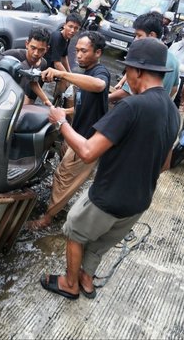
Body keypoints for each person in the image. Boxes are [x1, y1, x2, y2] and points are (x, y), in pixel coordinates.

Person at [40, 37, 179, 300]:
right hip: (139, 202)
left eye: (127, 71)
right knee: (100, 244)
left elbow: (88, 150)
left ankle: (70, 283)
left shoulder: (131, 106)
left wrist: (61, 122)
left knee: (74, 230)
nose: (125, 78)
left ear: (137, 71)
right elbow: (166, 164)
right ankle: (87, 280)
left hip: (109, 196)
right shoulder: (173, 111)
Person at [27, 31, 110, 229]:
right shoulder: (85, 73)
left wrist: (62, 73)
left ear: (98, 53)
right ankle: (59, 199)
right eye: (77, 51)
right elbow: (86, 103)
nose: (78, 55)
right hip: (77, 134)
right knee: (63, 173)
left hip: (87, 140)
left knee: (65, 178)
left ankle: (47, 219)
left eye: (84, 51)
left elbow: (99, 86)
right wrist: (67, 110)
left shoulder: (100, 72)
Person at [109, 12, 180, 103]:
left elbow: (127, 92)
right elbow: (174, 89)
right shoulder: (174, 60)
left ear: (151, 35)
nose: (135, 39)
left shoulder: (147, 56)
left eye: (139, 35)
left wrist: (106, 98)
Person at [0, 28, 53, 106]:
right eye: (33, 48)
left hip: (26, 104)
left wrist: (46, 101)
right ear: (27, 44)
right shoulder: (15, 55)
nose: (36, 53)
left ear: (47, 49)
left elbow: (34, 84)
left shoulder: (43, 64)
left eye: (41, 50)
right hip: (7, 100)